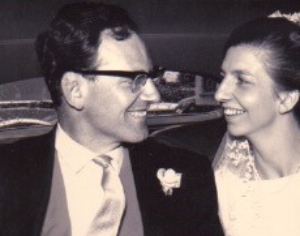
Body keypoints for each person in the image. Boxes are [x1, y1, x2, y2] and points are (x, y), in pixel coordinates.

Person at [0, 2, 223, 236]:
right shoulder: (7, 172)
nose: (153, 95)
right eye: (133, 79)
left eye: (150, 77)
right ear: (75, 89)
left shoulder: (189, 172)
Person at [213, 15, 300, 236]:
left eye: (242, 81)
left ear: (286, 99)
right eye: (223, 78)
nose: (220, 94)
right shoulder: (225, 183)